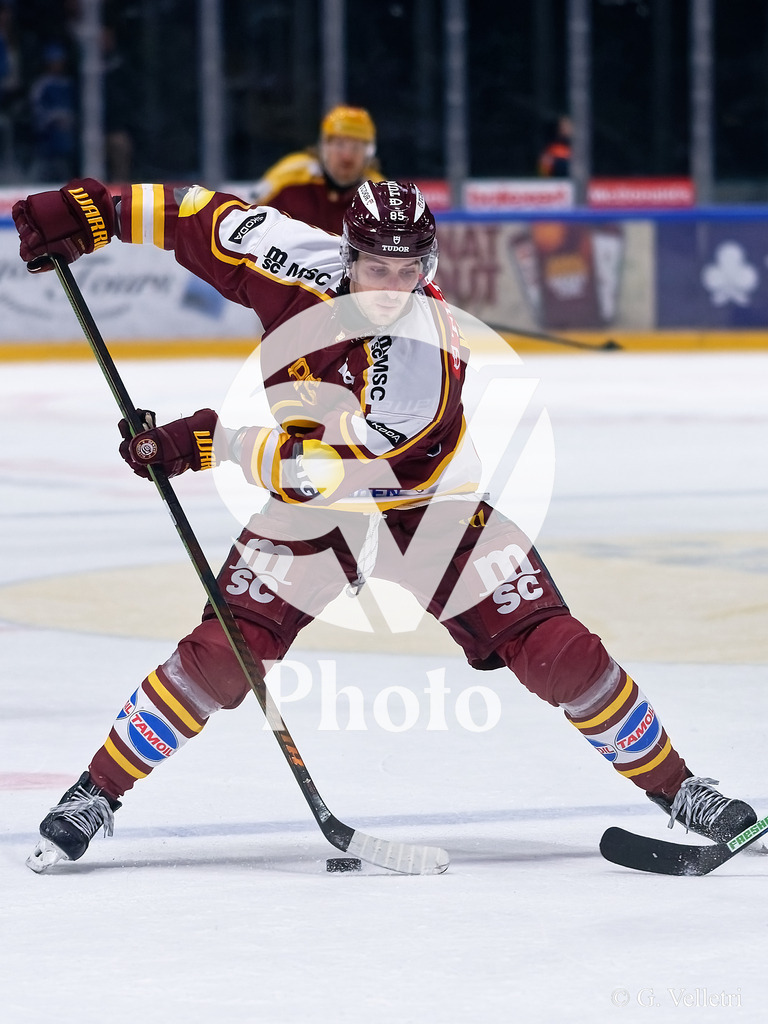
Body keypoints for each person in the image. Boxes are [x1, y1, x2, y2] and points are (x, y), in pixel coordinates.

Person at [13, 175, 757, 873]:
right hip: (315, 510)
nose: (393, 289)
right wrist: (92, 211)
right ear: (347, 256)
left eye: (410, 272)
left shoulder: (423, 360)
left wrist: (208, 441)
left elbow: (326, 469)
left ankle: (681, 788)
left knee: (560, 652)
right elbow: (193, 217)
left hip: (424, 508)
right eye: (377, 268)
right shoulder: (288, 255)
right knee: (220, 655)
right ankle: (96, 792)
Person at [246, 104, 384, 233]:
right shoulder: (290, 174)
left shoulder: (379, 195)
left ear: (369, 154)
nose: (347, 156)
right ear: (324, 146)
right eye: (339, 144)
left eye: (357, 148)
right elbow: (247, 213)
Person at [538, 114, 572, 179]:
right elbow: (545, 160)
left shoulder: (580, 143)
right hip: (557, 176)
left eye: (567, 125)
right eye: (562, 125)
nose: (564, 128)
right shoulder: (554, 142)